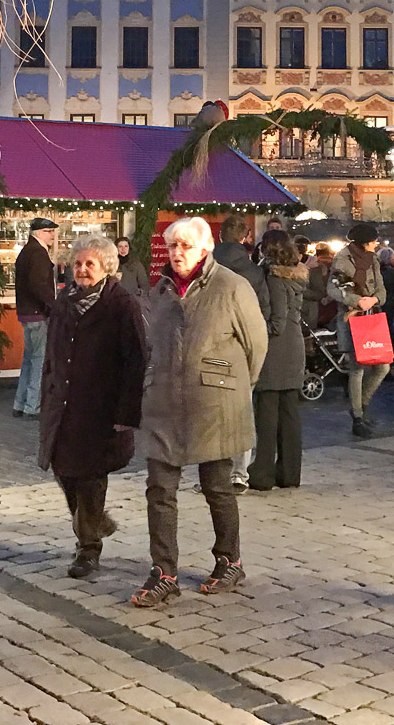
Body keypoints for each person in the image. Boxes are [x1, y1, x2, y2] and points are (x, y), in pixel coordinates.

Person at [132, 217, 267, 607]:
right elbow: (150, 345)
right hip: (164, 402)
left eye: (186, 246)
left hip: (213, 403)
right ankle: (164, 572)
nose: (177, 253)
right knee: (159, 488)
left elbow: (256, 347)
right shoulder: (160, 292)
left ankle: (229, 559)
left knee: (217, 486)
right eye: (173, 245)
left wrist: (232, 386)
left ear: (205, 247)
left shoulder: (232, 286)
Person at [38, 235, 148, 579]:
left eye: (90, 264)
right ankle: (95, 522)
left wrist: (126, 413)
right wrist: (47, 391)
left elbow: (136, 360)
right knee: (62, 469)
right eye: (78, 264)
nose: (82, 270)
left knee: (90, 476)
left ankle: (88, 549)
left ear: (106, 268)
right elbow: (52, 354)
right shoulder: (64, 301)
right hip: (63, 404)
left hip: (99, 407)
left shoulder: (121, 305)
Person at [247, 230, 306, 491]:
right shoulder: (296, 275)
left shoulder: (274, 278)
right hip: (294, 348)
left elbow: (277, 322)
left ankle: (262, 474)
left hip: (276, 352)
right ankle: (290, 473)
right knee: (290, 413)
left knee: (268, 413)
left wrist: (253, 326)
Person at [212, 214, 268, 491]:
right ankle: (239, 472)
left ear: (220, 236)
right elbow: (263, 315)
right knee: (243, 412)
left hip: (208, 346)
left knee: (211, 411)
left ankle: (214, 472)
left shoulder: (204, 266)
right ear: (245, 238)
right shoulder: (254, 272)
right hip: (241, 349)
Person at [329, 223, 388, 438]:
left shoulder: (373, 260)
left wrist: (375, 299)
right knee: (358, 368)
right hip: (352, 319)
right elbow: (332, 288)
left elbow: (381, 288)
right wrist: (357, 301)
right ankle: (357, 416)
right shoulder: (342, 260)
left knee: (383, 366)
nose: (376, 244)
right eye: (373, 241)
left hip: (372, 317)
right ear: (364, 243)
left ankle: (361, 405)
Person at [13, 218, 58, 420]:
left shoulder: (26, 251)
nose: (52, 235)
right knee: (38, 361)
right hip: (37, 313)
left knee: (28, 360)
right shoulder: (38, 253)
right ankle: (33, 406)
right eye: (49, 231)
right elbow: (39, 286)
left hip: (25, 312)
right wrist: (54, 306)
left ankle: (19, 404)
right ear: (38, 232)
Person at [304, 243, 336, 330]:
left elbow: (304, 290)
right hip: (333, 311)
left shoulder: (310, 270)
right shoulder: (338, 269)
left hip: (316, 313)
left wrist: (321, 297)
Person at [115, 235, 152, 300]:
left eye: (126, 246)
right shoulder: (112, 265)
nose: (123, 249)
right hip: (115, 301)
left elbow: (144, 285)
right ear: (116, 248)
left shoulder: (136, 264)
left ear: (129, 248)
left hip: (132, 301)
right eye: (120, 246)